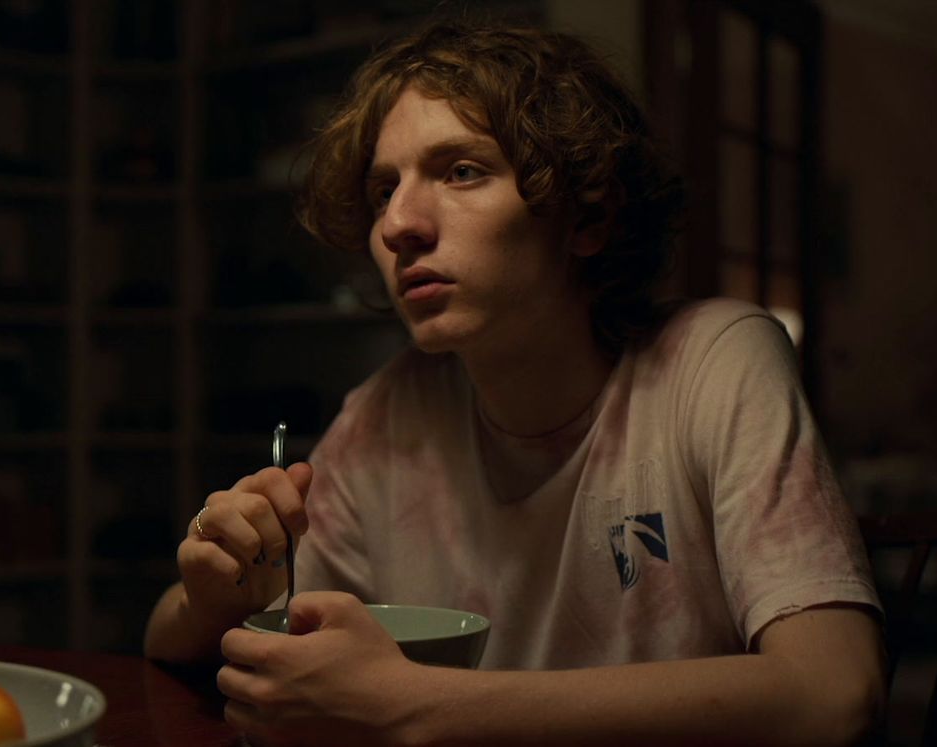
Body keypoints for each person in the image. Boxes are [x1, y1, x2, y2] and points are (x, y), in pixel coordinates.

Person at [144, 19, 885, 747]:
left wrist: (420, 706)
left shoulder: (712, 360)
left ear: (587, 217)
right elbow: (170, 637)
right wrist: (214, 595)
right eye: (381, 190)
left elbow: (834, 692)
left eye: (462, 170)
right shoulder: (388, 413)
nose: (399, 222)